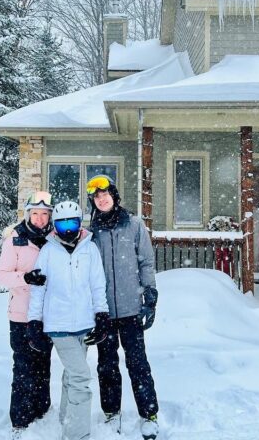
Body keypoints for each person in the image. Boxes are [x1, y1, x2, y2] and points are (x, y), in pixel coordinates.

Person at [26, 201, 110, 440]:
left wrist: (101, 315)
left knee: (72, 374)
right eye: (62, 224)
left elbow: (97, 285)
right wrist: (34, 321)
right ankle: (77, 434)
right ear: (55, 226)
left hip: (84, 323)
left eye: (72, 223)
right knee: (81, 377)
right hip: (59, 325)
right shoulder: (48, 251)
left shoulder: (89, 248)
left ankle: (66, 416)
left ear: (79, 223)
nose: (68, 229)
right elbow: (38, 290)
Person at [85, 174, 160, 440]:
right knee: (106, 365)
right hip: (103, 312)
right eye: (96, 197)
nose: (101, 199)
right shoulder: (91, 233)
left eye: (105, 194)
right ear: (93, 202)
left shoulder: (134, 225)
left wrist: (149, 295)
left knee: (138, 363)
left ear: (114, 196)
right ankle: (111, 412)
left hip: (130, 309)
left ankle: (149, 414)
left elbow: (146, 263)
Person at [0, 191, 55, 438]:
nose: (39, 219)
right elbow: (1, 275)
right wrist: (25, 279)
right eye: (35, 213)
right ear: (28, 214)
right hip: (21, 316)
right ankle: (20, 420)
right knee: (23, 368)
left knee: (43, 365)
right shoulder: (16, 239)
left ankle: (41, 411)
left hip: (47, 316)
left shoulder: (54, 238)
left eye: (44, 214)